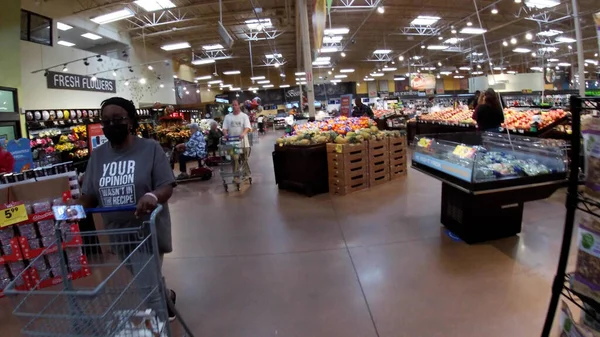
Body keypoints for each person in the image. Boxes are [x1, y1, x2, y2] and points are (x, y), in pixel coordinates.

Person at [79, 97, 177, 322]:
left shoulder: (150, 148)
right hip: (117, 233)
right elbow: (91, 194)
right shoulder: (98, 156)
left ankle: (163, 321)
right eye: (105, 121)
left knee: (148, 290)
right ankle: (168, 297)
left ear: (131, 121)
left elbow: (166, 185)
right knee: (148, 279)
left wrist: (152, 196)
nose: (111, 125)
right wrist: (76, 206)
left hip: (146, 231)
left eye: (117, 119)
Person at [223, 99, 252, 180]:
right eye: (233, 105)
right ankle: (236, 176)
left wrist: (243, 133)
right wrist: (225, 134)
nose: (234, 106)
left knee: (244, 159)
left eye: (235, 105)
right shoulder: (227, 117)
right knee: (234, 159)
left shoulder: (244, 116)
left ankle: (246, 174)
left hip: (243, 142)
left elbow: (247, 127)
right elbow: (224, 128)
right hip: (232, 143)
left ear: (239, 105)